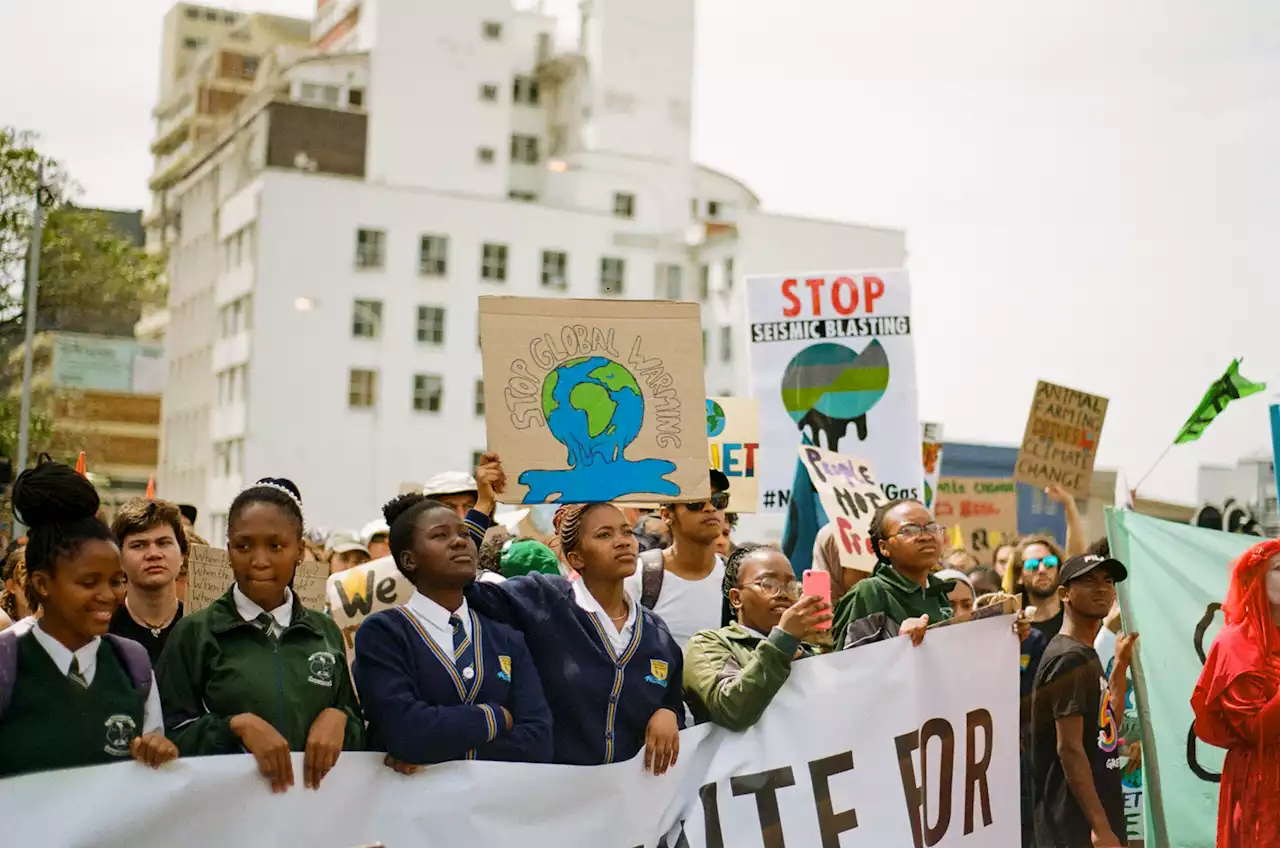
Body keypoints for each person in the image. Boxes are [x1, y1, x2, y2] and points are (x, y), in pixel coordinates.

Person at [157, 478, 364, 793]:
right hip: (230, 821)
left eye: (276, 546)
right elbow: (167, 738)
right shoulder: (195, 633)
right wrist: (233, 728)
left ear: (299, 550)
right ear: (228, 550)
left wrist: (341, 718)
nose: (259, 560)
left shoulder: (324, 632)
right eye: (243, 546)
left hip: (314, 817)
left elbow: (357, 731)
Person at [466, 501, 684, 773]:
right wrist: (483, 505)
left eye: (626, 532)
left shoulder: (656, 633)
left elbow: (672, 697)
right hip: (548, 799)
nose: (622, 542)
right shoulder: (543, 599)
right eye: (604, 535)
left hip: (624, 804)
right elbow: (460, 584)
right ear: (576, 558)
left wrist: (669, 713)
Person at [0, 458, 178, 778]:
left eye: (116, 581)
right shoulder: (7, 661)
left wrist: (156, 753)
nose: (107, 596)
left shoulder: (132, 665)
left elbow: (151, 785)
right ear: (42, 584)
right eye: (88, 582)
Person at [353, 493, 551, 768]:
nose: (459, 541)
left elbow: (537, 741)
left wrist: (438, 749)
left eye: (465, 534)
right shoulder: (383, 633)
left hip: (493, 806)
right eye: (440, 535)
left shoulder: (506, 638)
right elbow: (405, 731)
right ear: (410, 560)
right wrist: (494, 717)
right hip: (409, 806)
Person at [1030, 553, 1136, 848]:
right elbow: (1070, 749)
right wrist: (1100, 828)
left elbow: (1107, 731)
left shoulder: (1083, 653)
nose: (1101, 588)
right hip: (1075, 827)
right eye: (1088, 581)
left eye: (1107, 581)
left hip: (1097, 816)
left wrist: (1119, 669)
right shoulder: (1069, 659)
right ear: (1064, 593)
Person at [1191, 537, 1280, 846]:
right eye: (1279, 568)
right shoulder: (1235, 644)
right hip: (1261, 781)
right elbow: (1255, 730)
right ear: (1256, 578)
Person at [683, 544, 830, 729]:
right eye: (768, 584)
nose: (784, 594)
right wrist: (783, 640)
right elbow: (732, 709)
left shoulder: (806, 650)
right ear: (736, 598)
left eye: (791, 586)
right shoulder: (708, 644)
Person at [624, 469, 731, 651]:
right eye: (695, 503)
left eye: (718, 500)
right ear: (667, 515)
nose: (710, 508)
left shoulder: (736, 578)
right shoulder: (638, 575)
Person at [831, 499, 954, 648]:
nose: (926, 537)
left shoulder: (938, 591)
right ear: (884, 547)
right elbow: (850, 664)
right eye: (909, 531)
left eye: (932, 528)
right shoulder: (870, 593)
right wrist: (900, 641)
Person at [108, 498, 187, 665]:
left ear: (181, 555)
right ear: (119, 559)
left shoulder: (201, 629)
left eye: (164, 543)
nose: (153, 554)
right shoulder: (103, 629)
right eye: (138, 545)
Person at [1014, 535, 1070, 642]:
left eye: (1049, 562)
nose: (1042, 570)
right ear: (1019, 576)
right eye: (1032, 565)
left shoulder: (1076, 619)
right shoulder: (1015, 627)